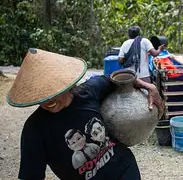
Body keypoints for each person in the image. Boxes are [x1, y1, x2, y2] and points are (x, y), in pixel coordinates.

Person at [7, 48, 164, 180]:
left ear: (66, 83)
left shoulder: (89, 92)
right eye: (39, 95)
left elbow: (119, 78)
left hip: (125, 170)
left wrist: (149, 87)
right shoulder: (34, 130)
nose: (47, 100)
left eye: (51, 91)